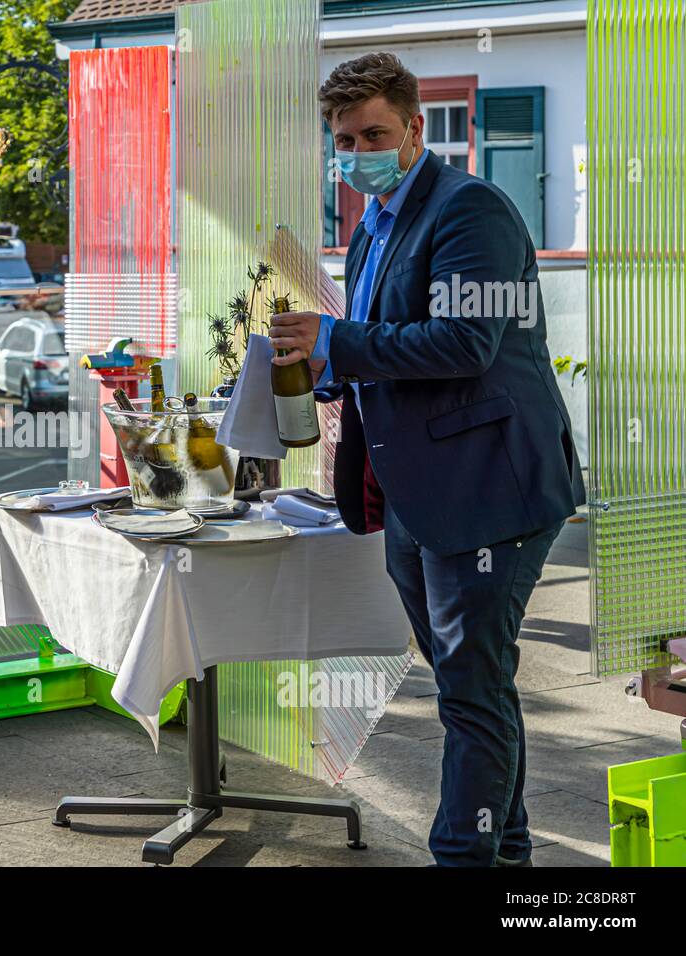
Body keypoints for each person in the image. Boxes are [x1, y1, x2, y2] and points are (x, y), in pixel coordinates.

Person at [269, 52, 584, 867]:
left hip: (491, 491)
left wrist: (336, 339)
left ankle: (463, 859)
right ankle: (504, 854)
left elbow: (464, 342)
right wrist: (326, 365)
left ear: (416, 129)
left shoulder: (471, 208)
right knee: (472, 690)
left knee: (471, 696)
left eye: (374, 132)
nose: (358, 150)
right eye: (344, 139)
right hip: (414, 492)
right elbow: (386, 351)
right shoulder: (373, 224)